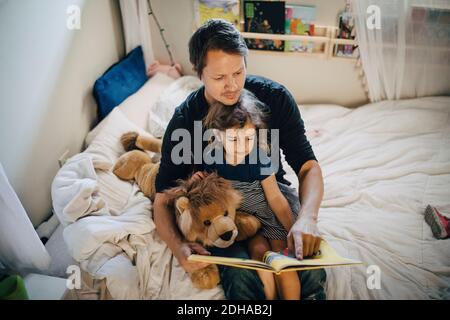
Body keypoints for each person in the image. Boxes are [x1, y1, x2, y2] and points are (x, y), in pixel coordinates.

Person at [153, 18, 326, 300]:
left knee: (306, 269)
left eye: (238, 72)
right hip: (224, 211)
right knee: (242, 276)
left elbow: (308, 166)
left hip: (271, 196)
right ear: (199, 74)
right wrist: (178, 247)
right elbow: (162, 198)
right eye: (219, 78)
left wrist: (307, 218)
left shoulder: (275, 99)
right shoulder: (185, 120)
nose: (232, 86)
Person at [202, 89, 302, 300]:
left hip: (268, 215)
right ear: (219, 136)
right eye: (234, 140)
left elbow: (276, 200)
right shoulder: (212, 156)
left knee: (281, 260)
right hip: (244, 220)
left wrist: (292, 230)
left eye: (248, 139)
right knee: (259, 254)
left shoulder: (259, 158)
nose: (242, 147)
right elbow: (212, 189)